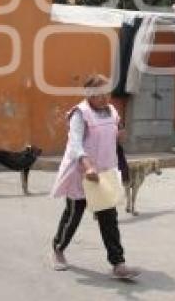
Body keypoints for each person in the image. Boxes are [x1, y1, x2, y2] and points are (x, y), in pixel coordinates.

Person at [49, 74, 139, 279]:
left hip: (104, 173)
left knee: (109, 218)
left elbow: (117, 127)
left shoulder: (112, 110)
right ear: (89, 95)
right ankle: (58, 249)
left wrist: (120, 133)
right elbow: (75, 144)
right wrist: (88, 166)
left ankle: (118, 264)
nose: (104, 97)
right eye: (99, 94)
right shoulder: (80, 114)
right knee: (73, 215)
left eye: (106, 93)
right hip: (82, 173)